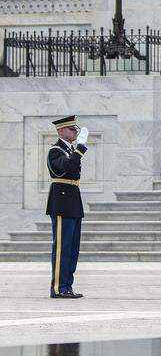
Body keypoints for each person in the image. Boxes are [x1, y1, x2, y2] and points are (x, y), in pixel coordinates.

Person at [46, 115, 89, 299]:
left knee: (72, 248)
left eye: (75, 129)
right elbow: (65, 169)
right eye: (72, 129)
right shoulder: (55, 151)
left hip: (72, 201)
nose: (75, 132)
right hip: (62, 202)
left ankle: (67, 286)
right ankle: (58, 288)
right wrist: (79, 149)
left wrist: (76, 150)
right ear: (61, 131)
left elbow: (73, 170)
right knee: (62, 247)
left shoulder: (69, 151)